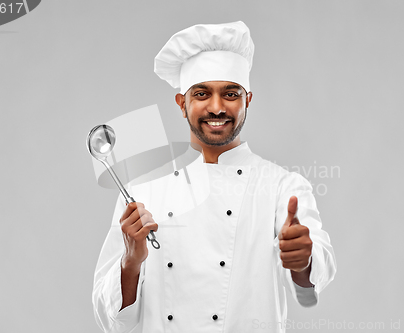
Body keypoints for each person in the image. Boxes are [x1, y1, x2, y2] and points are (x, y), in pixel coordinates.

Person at [92, 21, 336, 333]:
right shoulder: (142, 192)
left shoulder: (281, 186)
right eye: (202, 93)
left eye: (230, 94)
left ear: (247, 100)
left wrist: (304, 259)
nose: (217, 107)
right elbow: (109, 318)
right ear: (183, 104)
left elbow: (315, 277)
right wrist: (131, 261)